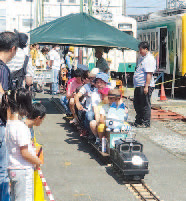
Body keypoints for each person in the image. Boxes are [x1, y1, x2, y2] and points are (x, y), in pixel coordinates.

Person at [5, 89, 42, 201]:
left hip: (12, 168)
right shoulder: (21, 127)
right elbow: (24, 152)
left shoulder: (8, 124)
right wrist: (37, 161)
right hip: (23, 170)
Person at [0, 31, 19, 201]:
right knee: (2, 172)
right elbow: (1, 98)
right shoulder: (3, 69)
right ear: (13, 49)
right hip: (0, 124)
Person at [133, 41, 156, 128]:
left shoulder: (149, 59)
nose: (140, 52)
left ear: (146, 49)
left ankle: (146, 122)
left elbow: (149, 74)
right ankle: (139, 120)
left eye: (141, 50)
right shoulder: (142, 58)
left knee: (145, 104)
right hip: (139, 85)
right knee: (137, 103)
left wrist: (146, 86)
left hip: (145, 85)